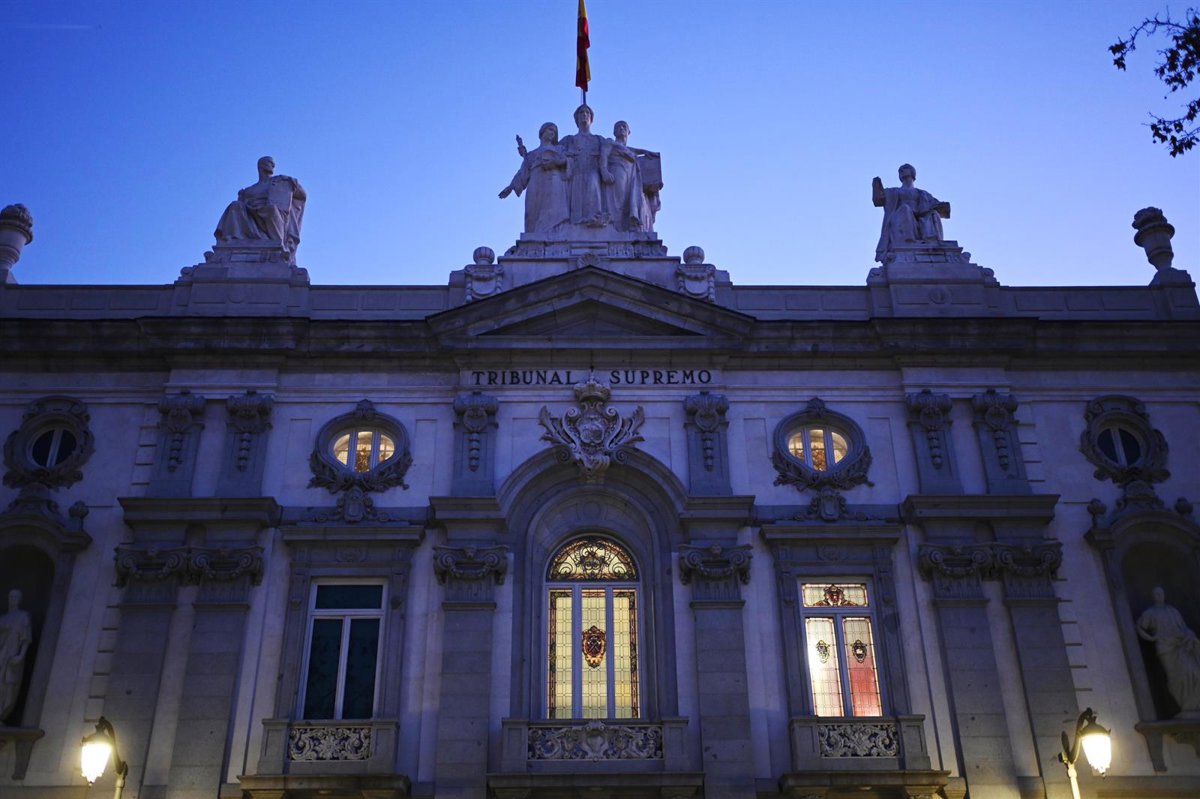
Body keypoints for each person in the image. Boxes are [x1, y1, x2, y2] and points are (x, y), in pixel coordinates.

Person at [215, 156, 307, 256]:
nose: (273, 165)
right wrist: (241, 198)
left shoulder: (279, 182)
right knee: (235, 205)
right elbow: (240, 208)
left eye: (273, 164)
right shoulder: (249, 190)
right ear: (260, 165)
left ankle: (279, 245)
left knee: (271, 209)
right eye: (269, 162)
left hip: (272, 216)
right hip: (251, 216)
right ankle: (234, 237)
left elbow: (302, 196)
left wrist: (294, 184)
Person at [1137, 586, 1200, 715]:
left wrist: (1189, 634)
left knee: (1195, 673)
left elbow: (1183, 628)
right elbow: (1140, 627)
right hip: (1165, 648)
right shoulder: (1150, 613)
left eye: (1161, 593)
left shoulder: (1173, 611)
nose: (1160, 596)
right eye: (1157, 594)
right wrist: (1151, 638)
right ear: (1153, 596)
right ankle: (1185, 706)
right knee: (1175, 678)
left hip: (1181, 645)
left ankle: (1193, 706)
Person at [499, 123, 569, 235]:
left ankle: (555, 236)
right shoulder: (531, 155)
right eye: (550, 130)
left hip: (554, 181)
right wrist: (511, 187)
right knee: (532, 211)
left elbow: (568, 162)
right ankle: (533, 236)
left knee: (553, 211)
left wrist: (555, 162)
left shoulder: (560, 149)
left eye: (554, 132)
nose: (552, 133)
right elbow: (523, 172)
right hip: (535, 182)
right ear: (542, 133)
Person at [872, 164, 950, 263]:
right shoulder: (892, 192)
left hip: (919, 221)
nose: (902, 171)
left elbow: (938, 206)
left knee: (933, 214)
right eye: (900, 170)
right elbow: (878, 200)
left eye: (905, 168)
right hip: (899, 221)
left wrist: (942, 206)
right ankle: (908, 242)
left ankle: (932, 242)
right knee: (905, 209)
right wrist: (876, 185)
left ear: (913, 173)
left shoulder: (922, 193)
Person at [602, 121, 658, 232]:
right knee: (618, 200)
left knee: (629, 201)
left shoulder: (626, 149)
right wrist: (604, 171)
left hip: (630, 175)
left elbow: (630, 150)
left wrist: (645, 152)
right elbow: (604, 156)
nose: (621, 128)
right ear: (614, 132)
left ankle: (626, 226)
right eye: (618, 127)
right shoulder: (610, 142)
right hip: (617, 172)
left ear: (629, 132)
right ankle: (616, 227)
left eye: (624, 126)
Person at [559, 105, 609, 227]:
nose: (584, 115)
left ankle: (595, 220)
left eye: (587, 112)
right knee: (576, 205)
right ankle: (575, 225)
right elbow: (552, 151)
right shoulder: (568, 140)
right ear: (576, 118)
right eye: (581, 112)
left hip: (594, 174)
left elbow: (618, 150)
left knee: (593, 193)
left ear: (591, 118)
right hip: (575, 175)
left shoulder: (599, 140)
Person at [0, 589, 33, 724]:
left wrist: (20, 656)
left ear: (20, 600)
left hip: (12, 658)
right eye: (11, 596)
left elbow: (26, 639)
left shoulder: (23, 617)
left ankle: (2, 712)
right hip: (1, 655)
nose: (13, 599)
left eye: (16, 597)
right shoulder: (2, 618)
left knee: (8, 686)